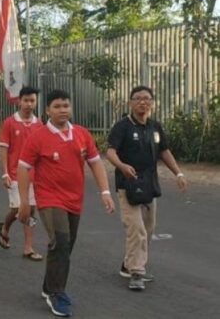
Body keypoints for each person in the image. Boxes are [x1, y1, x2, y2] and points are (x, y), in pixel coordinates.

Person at [17, 89, 116, 318]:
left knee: (66, 245)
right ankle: (57, 294)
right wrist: (24, 201)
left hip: (74, 199)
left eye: (66, 106)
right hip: (49, 198)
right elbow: (23, 168)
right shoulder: (38, 136)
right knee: (60, 241)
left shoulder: (81, 134)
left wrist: (105, 191)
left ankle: (48, 286)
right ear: (48, 110)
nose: (63, 110)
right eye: (57, 106)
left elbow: (96, 163)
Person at [106, 86, 188, 291]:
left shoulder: (155, 127)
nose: (143, 102)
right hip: (128, 185)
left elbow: (164, 151)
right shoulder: (122, 127)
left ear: (152, 102)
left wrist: (178, 173)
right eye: (138, 98)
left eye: (147, 99)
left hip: (149, 185)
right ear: (130, 102)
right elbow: (110, 152)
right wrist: (122, 166)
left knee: (148, 229)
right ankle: (136, 272)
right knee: (136, 228)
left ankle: (129, 263)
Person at [0, 87, 44, 261]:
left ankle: (28, 247)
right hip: (15, 174)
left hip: (33, 176)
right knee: (18, 209)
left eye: (32, 100)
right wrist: (5, 173)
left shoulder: (39, 124)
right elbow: (4, 149)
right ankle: (5, 228)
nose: (29, 104)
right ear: (19, 101)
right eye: (26, 100)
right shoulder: (10, 123)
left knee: (31, 210)